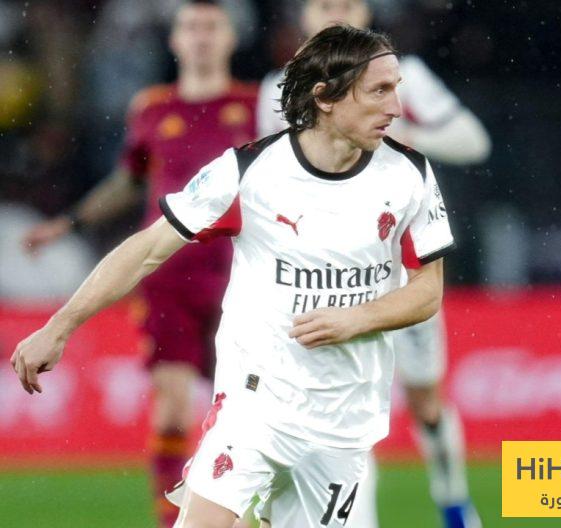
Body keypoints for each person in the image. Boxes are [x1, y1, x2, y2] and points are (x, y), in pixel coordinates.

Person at [12, 24, 455, 528]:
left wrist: (356, 318)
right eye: (379, 90)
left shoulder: (409, 175)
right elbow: (147, 249)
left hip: (343, 420)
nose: (396, 107)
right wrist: (60, 326)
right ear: (325, 97)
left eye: (396, 88)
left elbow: (427, 291)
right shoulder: (250, 172)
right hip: (254, 405)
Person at [21, 1, 256, 526]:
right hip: (169, 277)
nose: (200, 36)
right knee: (172, 411)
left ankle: (241, 513)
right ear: (174, 40)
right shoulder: (151, 107)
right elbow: (129, 180)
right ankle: (171, 522)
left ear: (229, 38)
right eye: (191, 27)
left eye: (211, 27)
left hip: (240, 277)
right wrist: (72, 222)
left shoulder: (258, 104)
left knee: (243, 415)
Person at [257, 1, 489, 527]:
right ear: (303, 15)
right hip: (319, 278)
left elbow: (474, 141)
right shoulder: (278, 86)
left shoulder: (404, 76)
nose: (335, 13)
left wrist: (410, 139)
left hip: (399, 274)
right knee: (336, 412)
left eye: (347, 4)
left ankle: (453, 500)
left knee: (425, 402)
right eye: (324, 4)